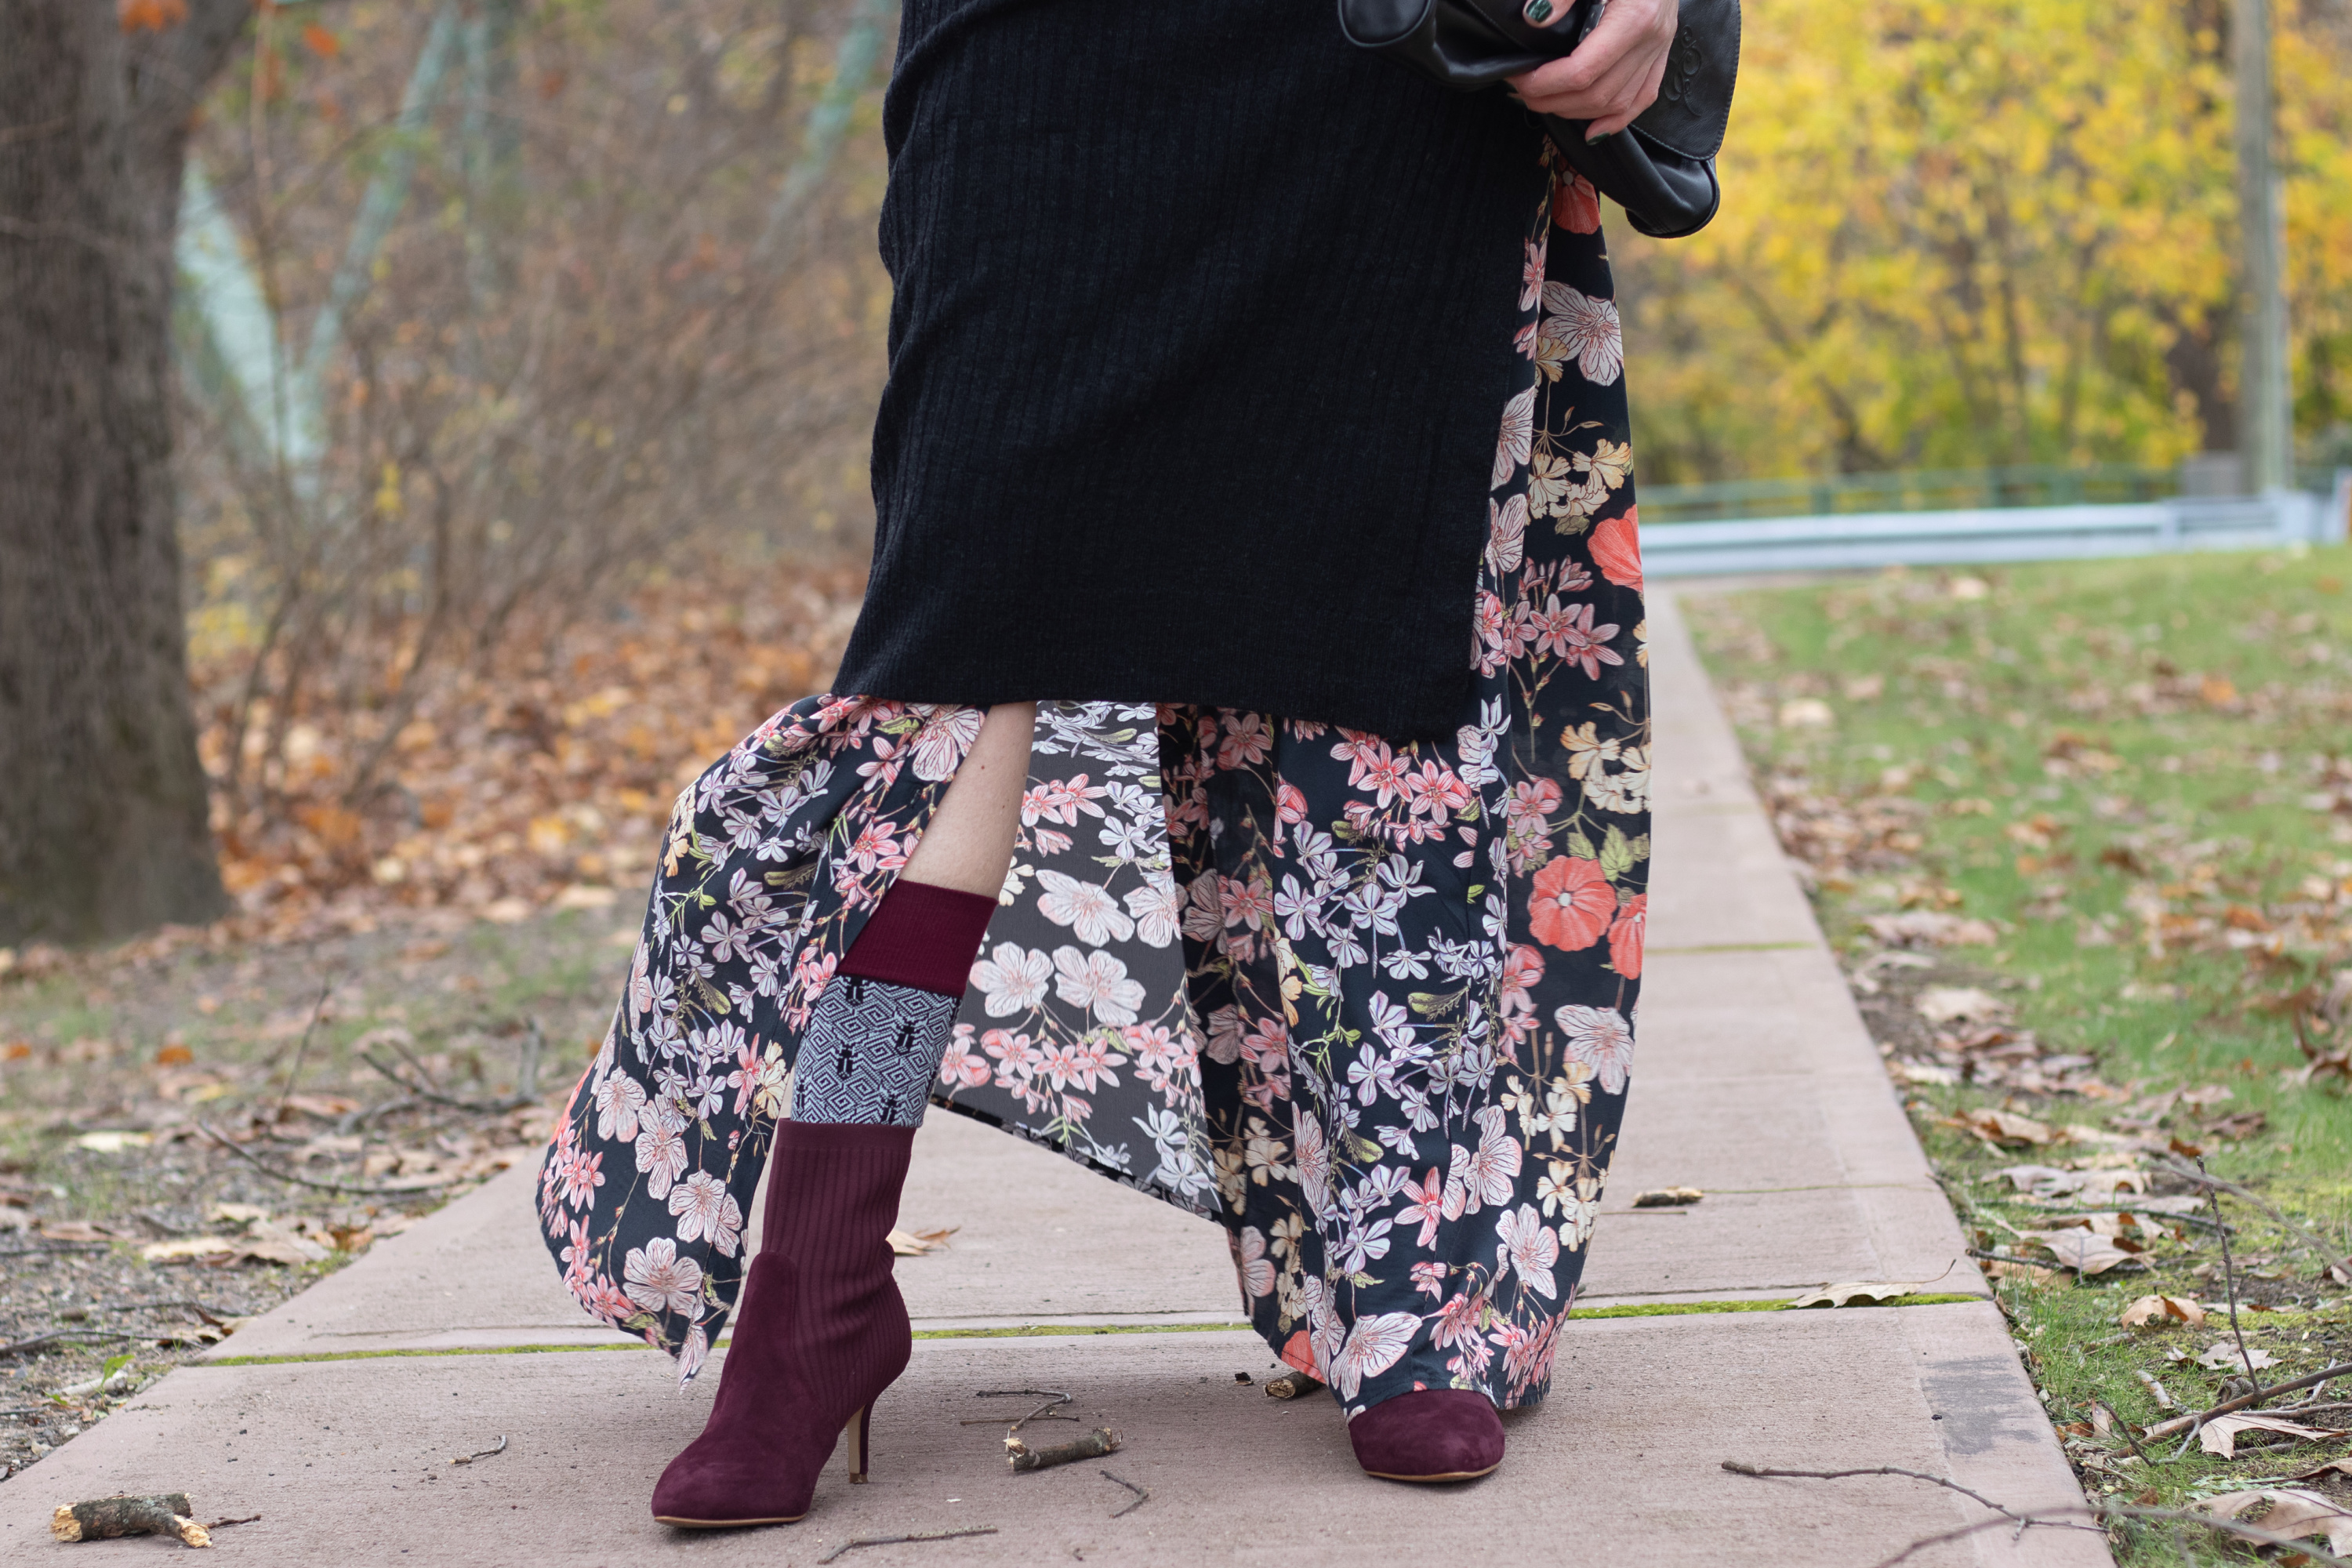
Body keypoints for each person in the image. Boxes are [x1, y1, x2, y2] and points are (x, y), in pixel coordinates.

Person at [535, 0, 1673, 1526]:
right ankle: (816, 1284)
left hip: (1377, 68)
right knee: (956, 646)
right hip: (1039, 54)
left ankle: (1411, 1279)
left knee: (1371, 634)